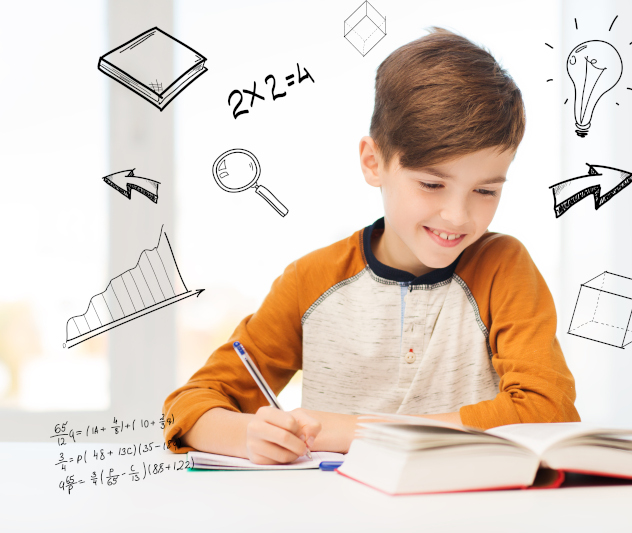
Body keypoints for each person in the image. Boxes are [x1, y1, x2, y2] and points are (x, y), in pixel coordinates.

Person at [163, 27, 580, 465]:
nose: (458, 216)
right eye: (432, 184)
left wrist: (348, 430)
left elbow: (548, 413)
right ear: (373, 161)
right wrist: (249, 434)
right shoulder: (311, 281)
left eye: (485, 191)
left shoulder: (503, 268)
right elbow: (187, 407)